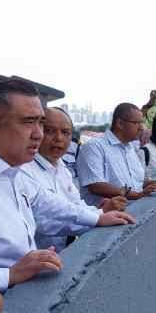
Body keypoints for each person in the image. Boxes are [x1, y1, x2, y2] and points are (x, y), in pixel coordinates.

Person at [0, 78, 134, 292]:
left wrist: (97, 217)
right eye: (28, 122)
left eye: (40, 122)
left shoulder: (8, 167)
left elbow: (46, 202)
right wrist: (8, 275)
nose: (39, 134)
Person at [21, 107, 126, 249]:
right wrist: (98, 217)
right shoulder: (23, 169)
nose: (58, 138)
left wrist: (99, 212)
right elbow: (43, 222)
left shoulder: (62, 168)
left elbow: (75, 205)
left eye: (65, 132)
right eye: (50, 131)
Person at [76, 103, 156, 207]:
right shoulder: (94, 147)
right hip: (108, 217)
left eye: (142, 123)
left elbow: (136, 183)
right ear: (120, 123)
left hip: (134, 210)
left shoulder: (130, 148)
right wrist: (137, 195)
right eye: (137, 123)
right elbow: (96, 186)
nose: (142, 128)